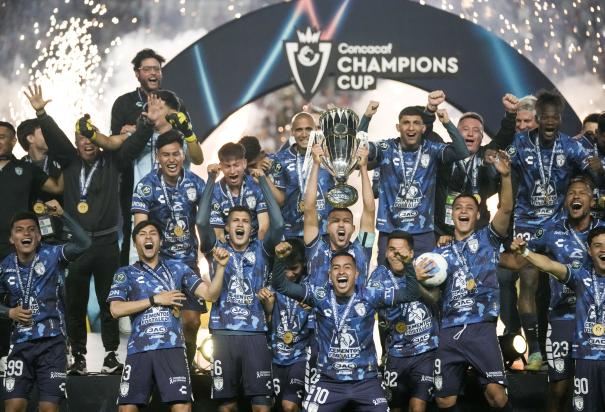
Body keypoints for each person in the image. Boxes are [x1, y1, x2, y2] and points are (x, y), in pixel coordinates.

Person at [24, 84, 155, 375]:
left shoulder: (113, 162)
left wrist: (146, 123)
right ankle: (79, 356)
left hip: (108, 244)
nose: (87, 142)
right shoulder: (68, 162)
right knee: (75, 303)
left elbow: (132, 146)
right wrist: (41, 113)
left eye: (91, 137)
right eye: (81, 138)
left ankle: (110, 354)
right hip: (76, 247)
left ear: (98, 140)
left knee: (111, 300)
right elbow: (56, 139)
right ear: (75, 142)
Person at [507, 89, 597, 370]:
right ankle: (534, 351)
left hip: (559, 225)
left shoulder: (570, 146)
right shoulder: (521, 143)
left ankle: (581, 340)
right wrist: (494, 164)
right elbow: (499, 163)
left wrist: (597, 170)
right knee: (529, 282)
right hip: (527, 224)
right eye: (544, 117)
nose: (549, 122)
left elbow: (594, 174)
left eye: (554, 118)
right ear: (537, 119)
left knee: (565, 283)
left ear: (559, 119)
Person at [272, 245, 420, 412]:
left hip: (366, 381)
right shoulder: (320, 296)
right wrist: (279, 260)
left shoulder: (370, 295)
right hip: (329, 381)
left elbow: (411, 294)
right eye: (336, 268)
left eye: (347, 267)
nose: (341, 272)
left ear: (356, 274)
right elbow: (281, 285)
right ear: (330, 275)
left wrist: (408, 264)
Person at [501, 177, 604, 412]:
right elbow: (526, 259)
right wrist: (501, 254)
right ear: (564, 201)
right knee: (559, 389)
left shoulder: (602, 231)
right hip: (562, 318)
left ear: (592, 200)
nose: (576, 197)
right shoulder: (550, 230)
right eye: (571, 193)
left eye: (582, 193)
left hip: (597, 319)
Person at [422, 149, 514, 411]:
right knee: (444, 399)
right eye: (459, 208)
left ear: (477, 215)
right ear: (452, 215)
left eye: (469, 208)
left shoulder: (488, 239)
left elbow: (506, 207)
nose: (463, 212)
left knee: (497, 397)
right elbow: (429, 289)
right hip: (448, 329)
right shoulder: (439, 253)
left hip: (480, 328)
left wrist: (505, 177)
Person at [107, 220, 228, 412]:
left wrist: (220, 268)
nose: (148, 237)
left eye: (153, 233)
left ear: (161, 241)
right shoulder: (125, 273)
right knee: (127, 409)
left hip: (172, 348)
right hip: (140, 349)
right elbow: (116, 309)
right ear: (135, 242)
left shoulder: (178, 268)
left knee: (182, 407)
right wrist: (155, 300)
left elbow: (210, 294)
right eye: (142, 234)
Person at [197, 165, 284, 412]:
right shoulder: (216, 249)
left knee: (262, 407)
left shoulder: (262, 249)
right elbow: (202, 221)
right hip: (223, 335)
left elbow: (277, 224)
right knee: (227, 407)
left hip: (255, 335)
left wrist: (263, 183)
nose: (240, 224)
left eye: (246, 221)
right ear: (226, 227)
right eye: (235, 220)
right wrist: (212, 179)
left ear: (252, 228)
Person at [110, 48, 203, 268]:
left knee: (179, 244)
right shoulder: (124, 104)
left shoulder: (175, 103)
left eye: (157, 69)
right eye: (147, 69)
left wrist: (186, 132)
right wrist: (142, 128)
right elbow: (119, 155)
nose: (153, 73)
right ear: (137, 73)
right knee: (137, 243)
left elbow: (196, 155)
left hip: (177, 197)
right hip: (138, 191)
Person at [0, 202, 91, 412]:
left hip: (53, 345)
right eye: (20, 230)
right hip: (21, 346)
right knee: (13, 407)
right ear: (11, 238)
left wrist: (61, 214)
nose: (27, 234)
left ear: (39, 236)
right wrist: (10, 312)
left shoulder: (53, 255)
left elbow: (85, 243)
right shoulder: (4, 267)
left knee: (49, 409)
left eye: (32, 230)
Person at [131, 130, 207, 368]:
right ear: (158, 157)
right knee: (160, 323)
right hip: (158, 266)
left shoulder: (196, 183)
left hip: (188, 263)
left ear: (183, 155)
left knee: (192, 321)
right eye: (166, 155)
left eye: (176, 154)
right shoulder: (146, 187)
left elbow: (207, 222)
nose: (171, 160)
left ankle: (185, 367)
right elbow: (140, 228)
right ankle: (162, 369)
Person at [366, 91, 469, 262]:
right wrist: (367, 117)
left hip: (423, 233)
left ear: (423, 128)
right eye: (406, 123)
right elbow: (360, 149)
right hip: (390, 230)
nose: (411, 127)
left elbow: (462, 152)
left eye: (416, 123)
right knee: (387, 280)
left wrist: (447, 123)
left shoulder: (433, 149)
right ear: (398, 127)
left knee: (427, 281)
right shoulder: (386, 148)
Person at [0, 120, 62, 372]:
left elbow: (57, 188)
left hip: (15, 247)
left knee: (15, 299)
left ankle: (7, 353)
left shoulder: (25, 169)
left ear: (14, 141)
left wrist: (67, 159)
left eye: (3, 136)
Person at [372, 231, 439, 412]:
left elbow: (435, 300)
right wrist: (409, 279)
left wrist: (413, 277)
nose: (396, 255)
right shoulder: (378, 277)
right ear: (386, 253)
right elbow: (379, 302)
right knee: (396, 408)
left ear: (411, 253)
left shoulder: (423, 267)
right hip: (396, 355)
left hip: (426, 350)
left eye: (401, 251)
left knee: (418, 406)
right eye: (392, 250)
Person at [303, 139, 374, 284]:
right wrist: (316, 164)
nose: (341, 225)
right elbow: (309, 208)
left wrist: (363, 168)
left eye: (346, 221)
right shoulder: (316, 248)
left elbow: (370, 211)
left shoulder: (363, 248)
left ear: (354, 229)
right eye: (335, 221)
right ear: (327, 227)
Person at [257, 238, 311, 412]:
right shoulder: (269, 289)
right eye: (285, 268)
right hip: (272, 357)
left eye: (294, 268)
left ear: (303, 265)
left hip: (300, 358)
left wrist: (313, 309)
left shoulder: (310, 291)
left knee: (289, 406)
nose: (289, 274)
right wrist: (268, 310)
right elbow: (264, 327)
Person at [269, 112, 334, 238]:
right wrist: (264, 179)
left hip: (324, 231)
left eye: (308, 129)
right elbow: (280, 200)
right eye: (299, 130)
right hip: (293, 232)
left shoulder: (329, 154)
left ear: (315, 130)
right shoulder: (281, 159)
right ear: (292, 132)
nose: (304, 134)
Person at [16, 119, 65, 243]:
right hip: (32, 237)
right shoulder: (18, 169)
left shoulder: (62, 160)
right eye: (44, 132)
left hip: (63, 233)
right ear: (31, 138)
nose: (50, 136)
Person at [210, 142, 269, 242]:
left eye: (236, 165)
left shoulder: (256, 185)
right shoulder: (215, 193)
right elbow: (219, 236)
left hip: (255, 243)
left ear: (244, 163)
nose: (232, 171)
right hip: (228, 249)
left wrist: (258, 253)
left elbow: (263, 228)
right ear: (221, 167)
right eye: (227, 166)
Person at [239, 135, 284, 205]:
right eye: (247, 167)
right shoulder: (241, 173)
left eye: (253, 165)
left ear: (262, 154)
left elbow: (280, 201)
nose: (251, 170)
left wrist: (264, 178)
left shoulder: (276, 163)